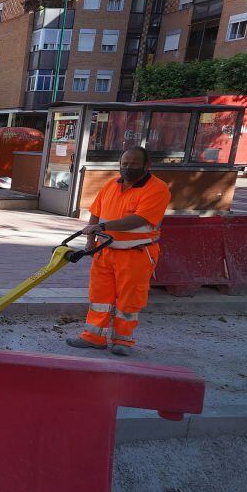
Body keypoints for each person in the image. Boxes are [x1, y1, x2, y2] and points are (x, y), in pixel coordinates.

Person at [66, 146, 171, 357]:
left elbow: (139, 220)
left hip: (136, 253)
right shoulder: (111, 185)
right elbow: (95, 213)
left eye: (133, 164)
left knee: (128, 299)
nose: (127, 168)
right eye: (124, 164)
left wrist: (103, 228)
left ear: (146, 165)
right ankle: (93, 337)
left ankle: (123, 340)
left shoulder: (157, 189)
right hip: (105, 252)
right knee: (99, 297)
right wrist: (90, 240)